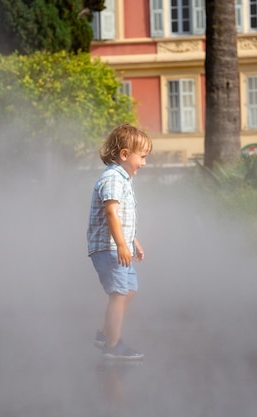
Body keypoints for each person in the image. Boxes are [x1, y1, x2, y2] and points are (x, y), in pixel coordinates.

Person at [87, 124, 152, 360]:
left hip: (117, 246)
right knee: (118, 294)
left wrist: (133, 241)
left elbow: (123, 217)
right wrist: (122, 245)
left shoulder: (124, 179)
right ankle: (112, 346)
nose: (144, 163)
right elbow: (111, 213)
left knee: (129, 290)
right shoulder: (113, 178)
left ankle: (106, 334)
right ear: (124, 154)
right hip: (110, 248)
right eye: (142, 157)